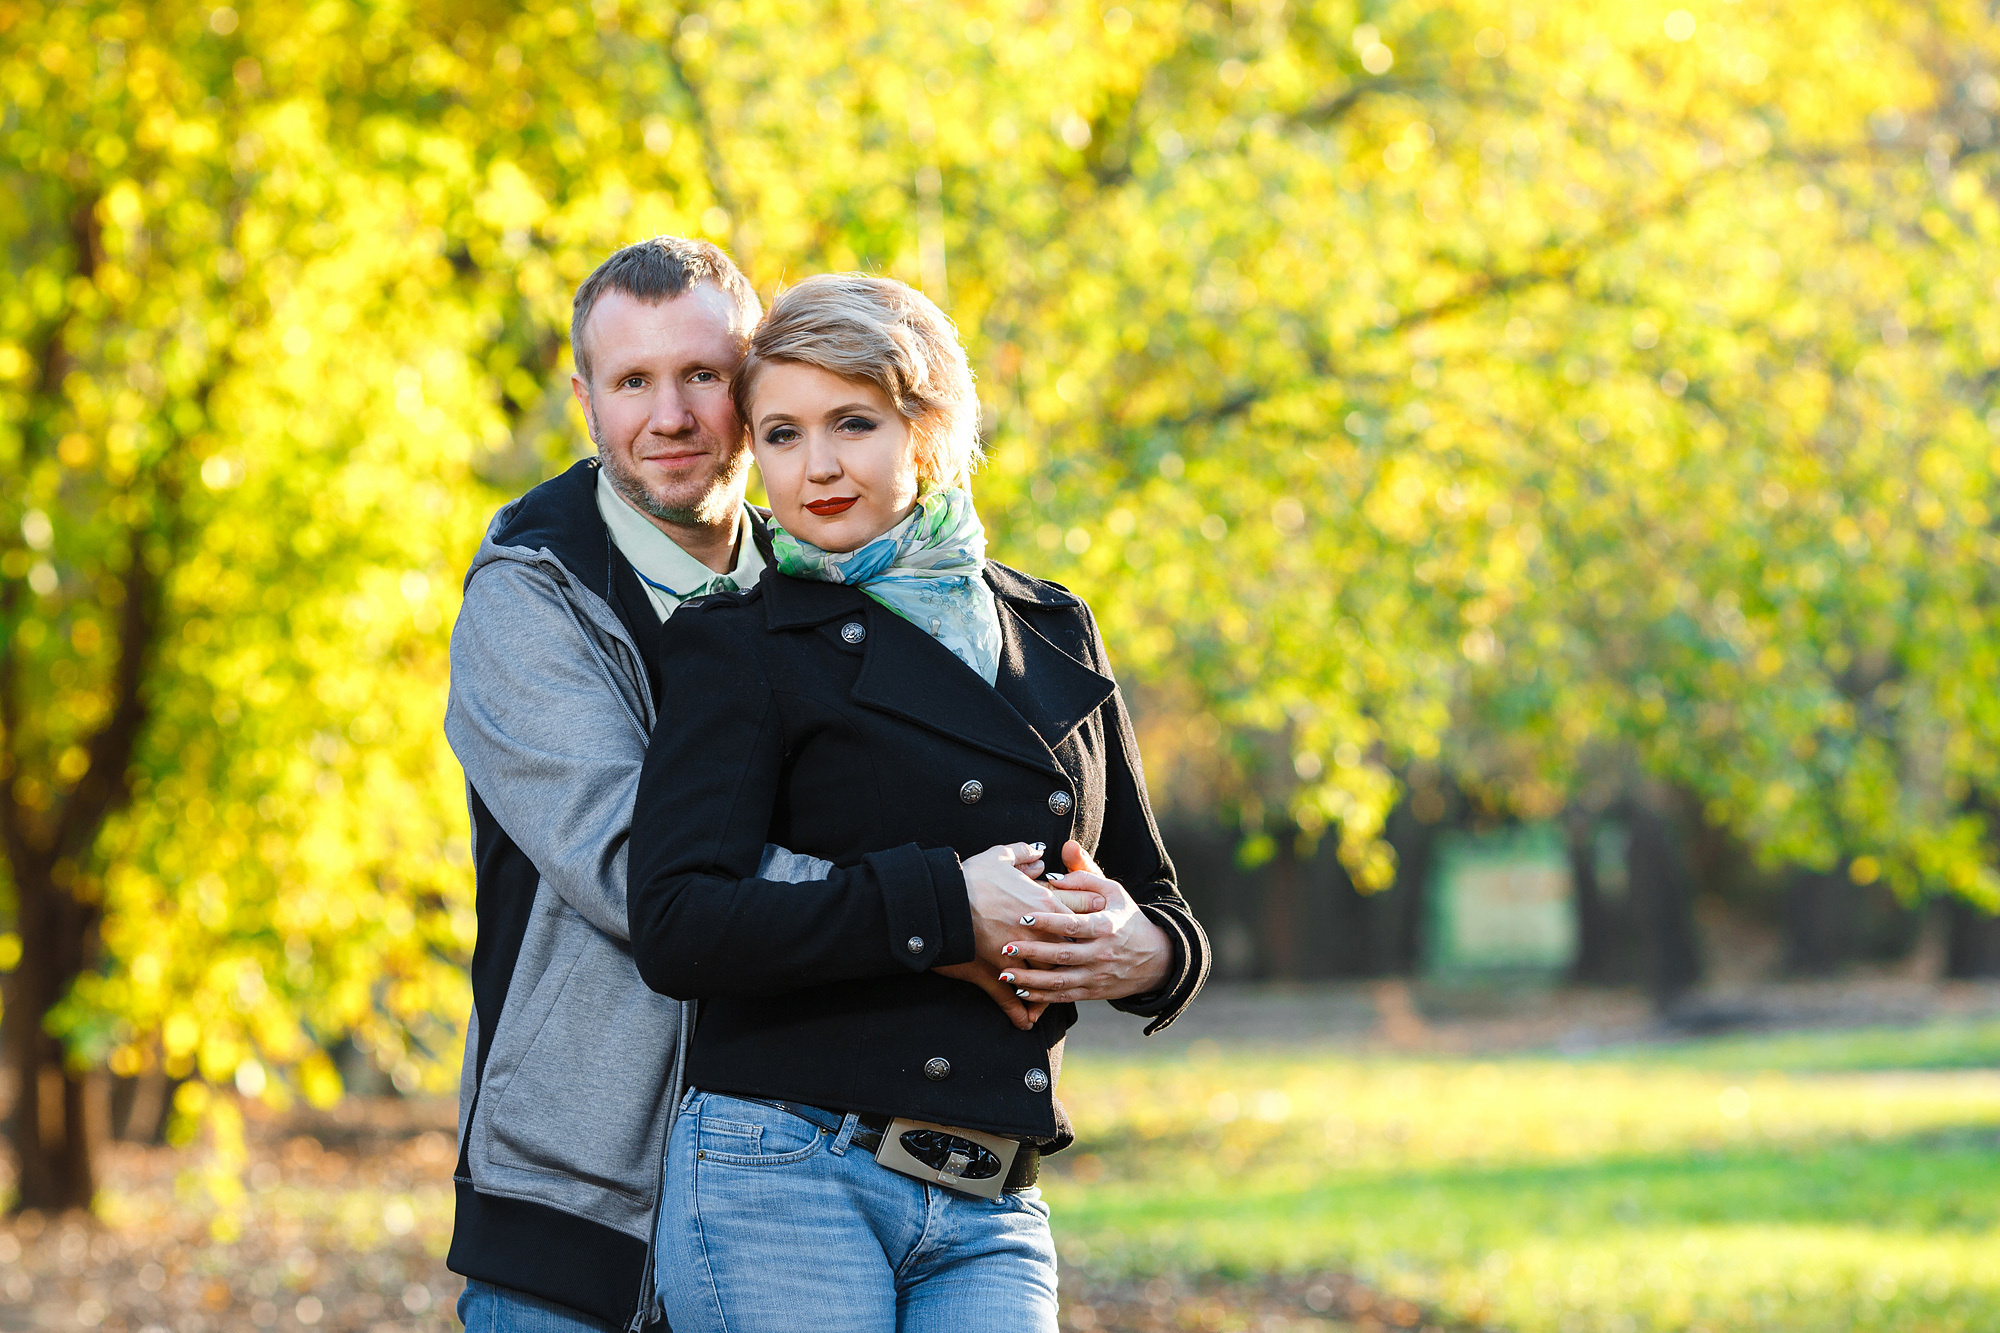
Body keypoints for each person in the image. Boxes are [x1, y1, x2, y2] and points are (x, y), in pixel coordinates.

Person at [626, 273, 1210, 1333]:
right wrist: (944, 904)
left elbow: (1154, 892)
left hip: (994, 1189)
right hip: (783, 1164)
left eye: (853, 422)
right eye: (783, 434)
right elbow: (677, 921)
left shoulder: (1052, 626)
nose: (818, 467)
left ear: (928, 428)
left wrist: (1148, 955)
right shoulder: (739, 643)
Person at [444, 236, 782, 1332]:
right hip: (575, 1218)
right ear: (585, 397)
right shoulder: (525, 597)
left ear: (751, 382)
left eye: (701, 375)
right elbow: (645, 881)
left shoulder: (818, 589)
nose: (669, 416)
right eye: (633, 381)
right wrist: (926, 910)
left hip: (789, 1210)